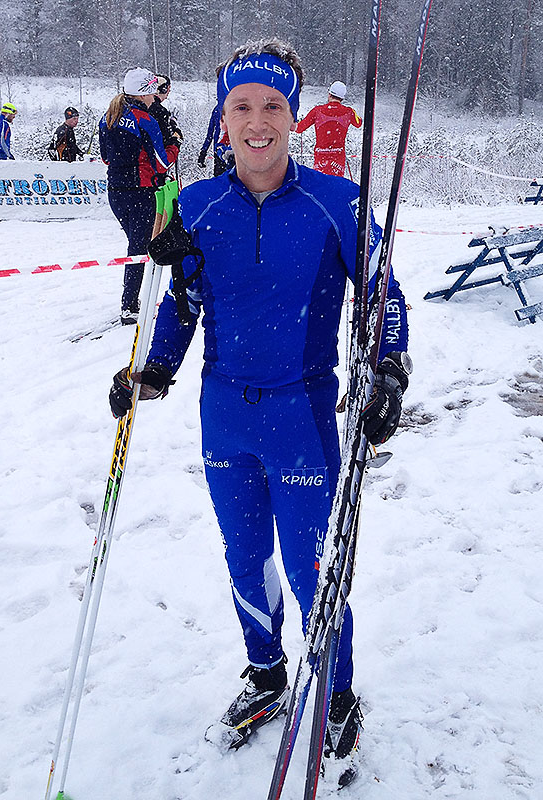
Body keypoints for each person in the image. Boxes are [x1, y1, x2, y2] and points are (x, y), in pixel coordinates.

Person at [109, 39, 410, 785]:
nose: (257, 121)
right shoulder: (198, 206)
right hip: (223, 416)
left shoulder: (337, 202)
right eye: (241, 105)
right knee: (244, 558)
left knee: (313, 572)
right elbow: (183, 303)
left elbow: (383, 295)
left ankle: (336, 693)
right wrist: (153, 371)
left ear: (294, 116)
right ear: (223, 117)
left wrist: (389, 370)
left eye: (273, 105)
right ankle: (267, 673)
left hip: (301, 417)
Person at [99, 67, 180, 325]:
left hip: (115, 191)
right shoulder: (145, 119)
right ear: (145, 92)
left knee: (136, 247)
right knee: (138, 249)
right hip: (141, 192)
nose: (155, 96)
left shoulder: (108, 116)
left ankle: (131, 301)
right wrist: (175, 143)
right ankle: (129, 306)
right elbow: (162, 163)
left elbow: (105, 157)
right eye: (153, 91)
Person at [295, 81, 362, 177]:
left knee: (320, 183)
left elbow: (299, 128)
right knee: (336, 184)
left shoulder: (317, 110)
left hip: (321, 157)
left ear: (329, 94)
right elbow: (359, 123)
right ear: (342, 98)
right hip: (338, 157)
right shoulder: (349, 112)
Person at [148, 75, 183, 147]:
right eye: (168, 90)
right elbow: (166, 142)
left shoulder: (135, 106)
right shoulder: (160, 111)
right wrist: (177, 138)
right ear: (165, 89)